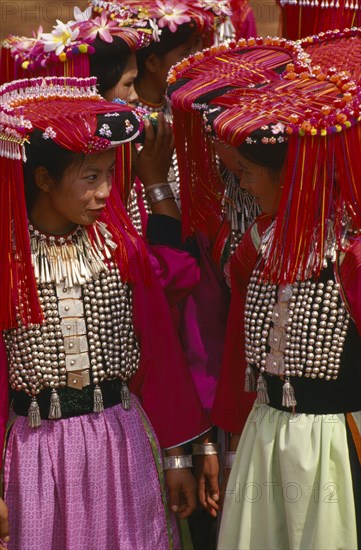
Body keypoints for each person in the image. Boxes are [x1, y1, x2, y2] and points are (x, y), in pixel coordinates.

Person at [0, 76, 211, 550]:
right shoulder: (9, 264)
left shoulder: (122, 251)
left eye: (109, 175)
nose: (104, 193)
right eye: (89, 177)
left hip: (121, 442)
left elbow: (158, 358)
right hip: (37, 452)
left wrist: (177, 456)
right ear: (44, 179)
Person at [167, 37, 361, 549]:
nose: (245, 185)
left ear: (291, 175)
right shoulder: (258, 245)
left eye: (249, 173)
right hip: (266, 432)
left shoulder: (348, 251)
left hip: (337, 441)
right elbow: (238, 352)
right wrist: (230, 441)